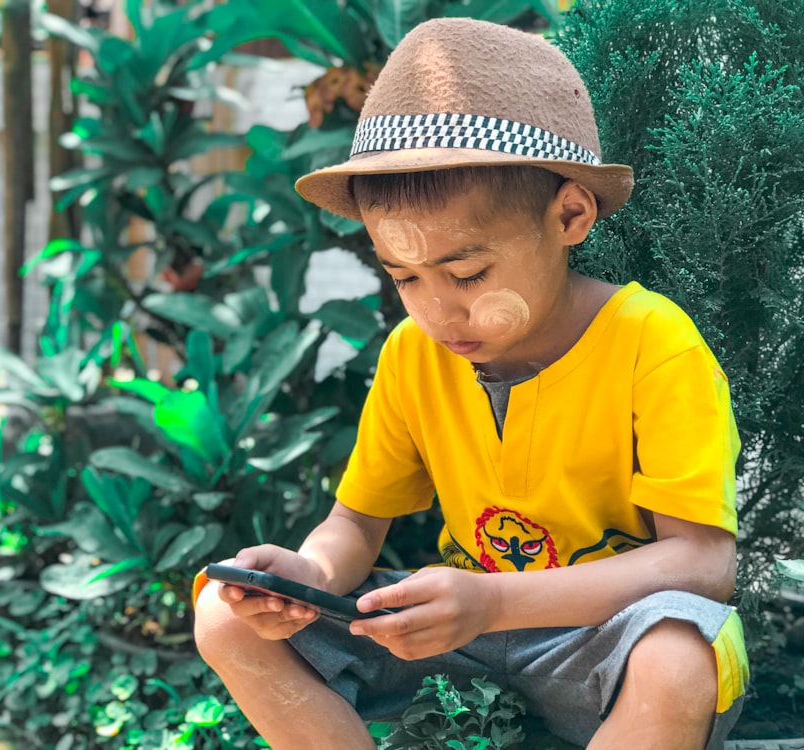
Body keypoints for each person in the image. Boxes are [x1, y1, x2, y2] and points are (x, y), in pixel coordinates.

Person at [194, 17, 748, 750]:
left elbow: (704, 562)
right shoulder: (412, 354)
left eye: (467, 274)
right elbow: (358, 523)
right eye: (404, 279)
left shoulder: (653, 341)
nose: (436, 311)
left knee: (679, 660)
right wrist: (310, 571)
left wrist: (492, 599)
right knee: (223, 616)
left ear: (570, 215)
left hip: (603, 646)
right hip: (457, 648)